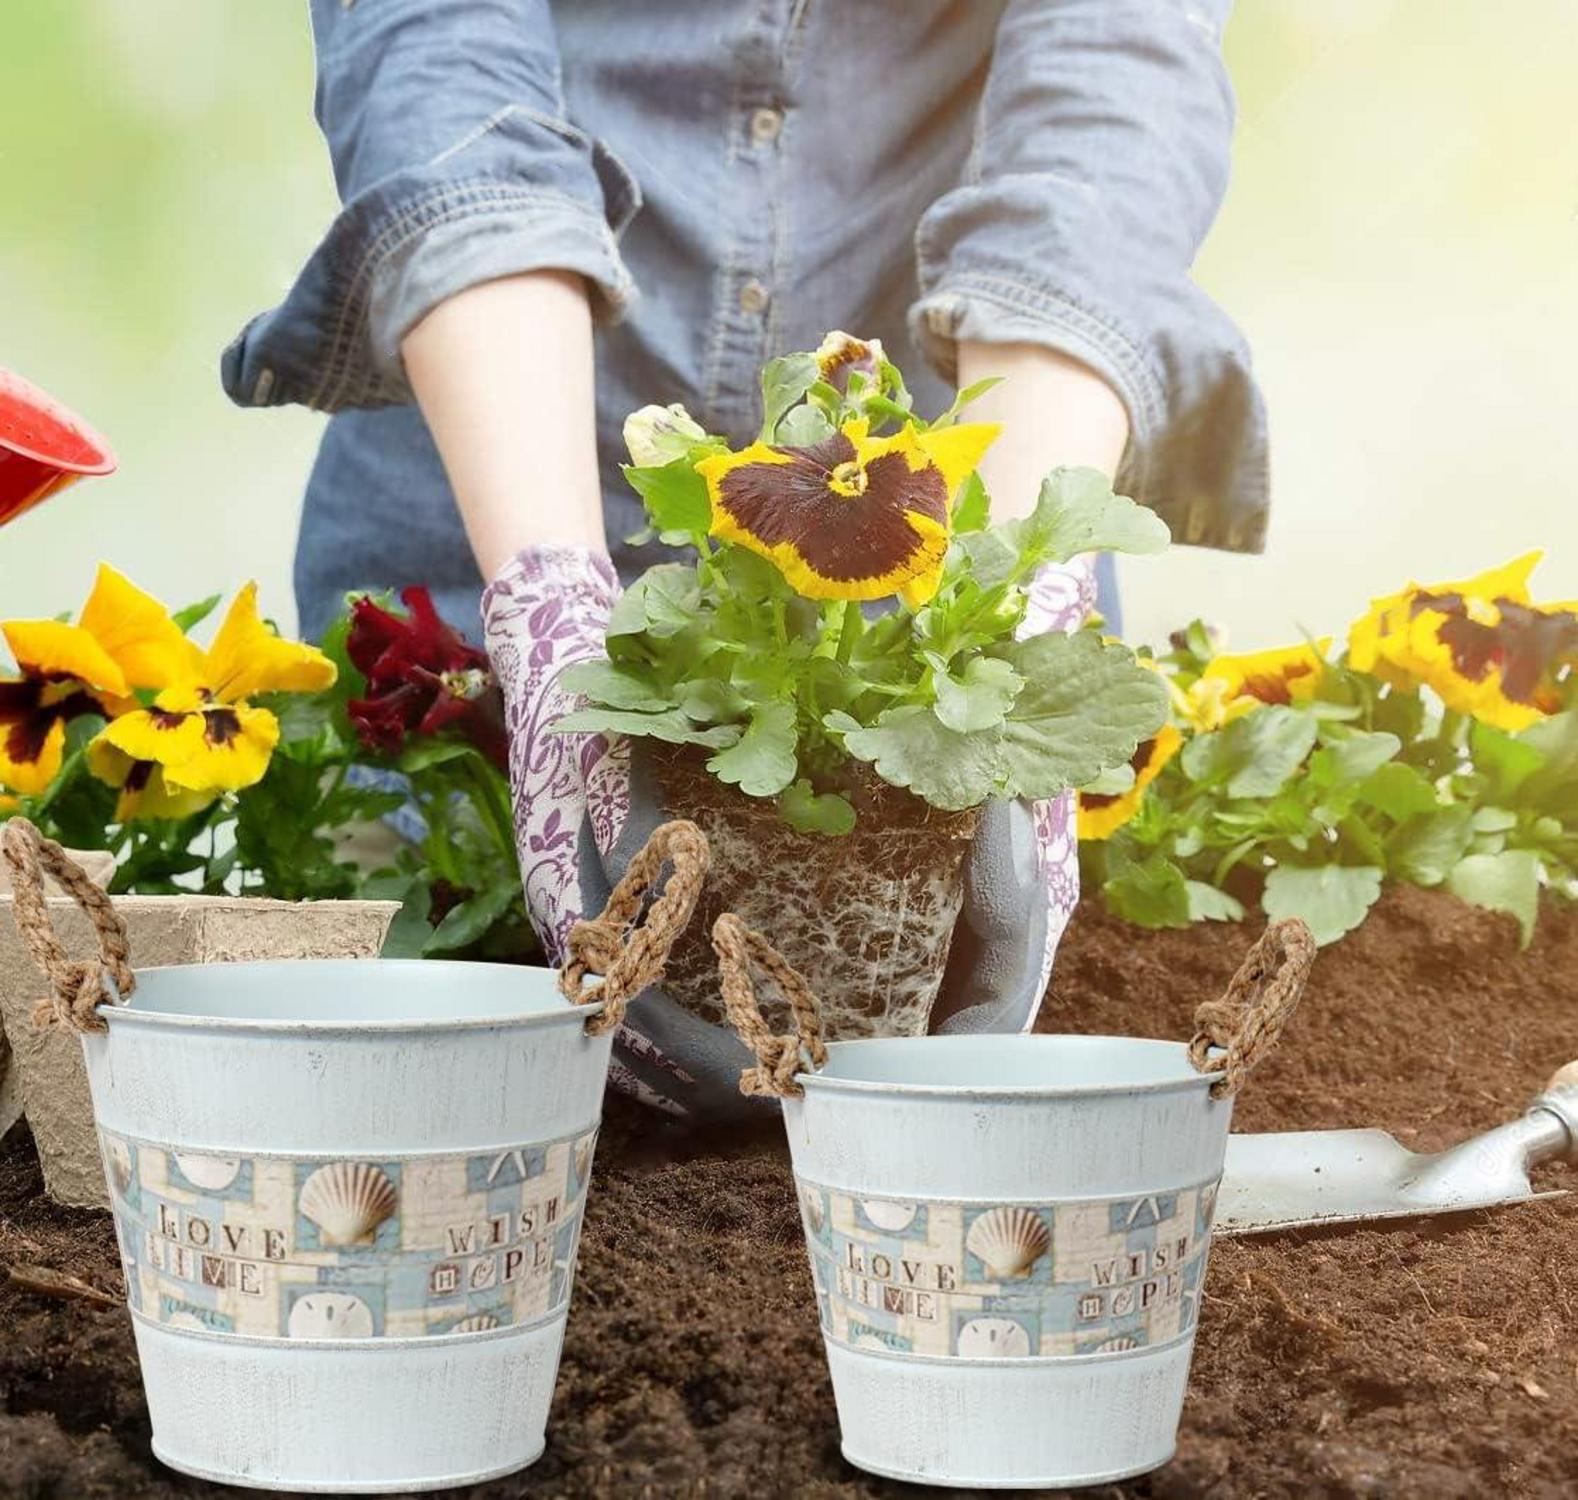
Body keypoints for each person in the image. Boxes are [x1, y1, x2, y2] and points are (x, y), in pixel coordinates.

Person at [224, 0, 1264, 1111]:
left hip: (914, 546)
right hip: (487, 487)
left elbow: (1111, 73)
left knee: (924, 1102)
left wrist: (1016, 602)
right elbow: (436, 47)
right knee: (401, 1111)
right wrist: (549, 610)